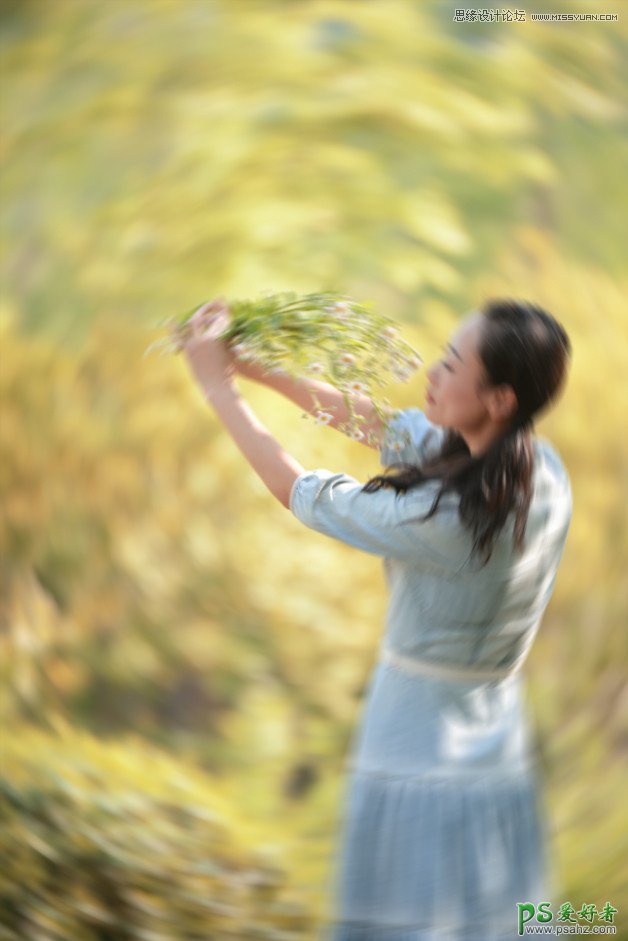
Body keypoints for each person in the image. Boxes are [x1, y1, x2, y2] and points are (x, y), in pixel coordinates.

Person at [180, 296, 572, 941]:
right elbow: (385, 428)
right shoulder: (541, 472)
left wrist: (217, 390)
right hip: (496, 751)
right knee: (509, 919)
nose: (434, 374)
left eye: (451, 364)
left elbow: (300, 492)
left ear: (499, 398)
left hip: (417, 758)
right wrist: (253, 368)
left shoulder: (450, 522)